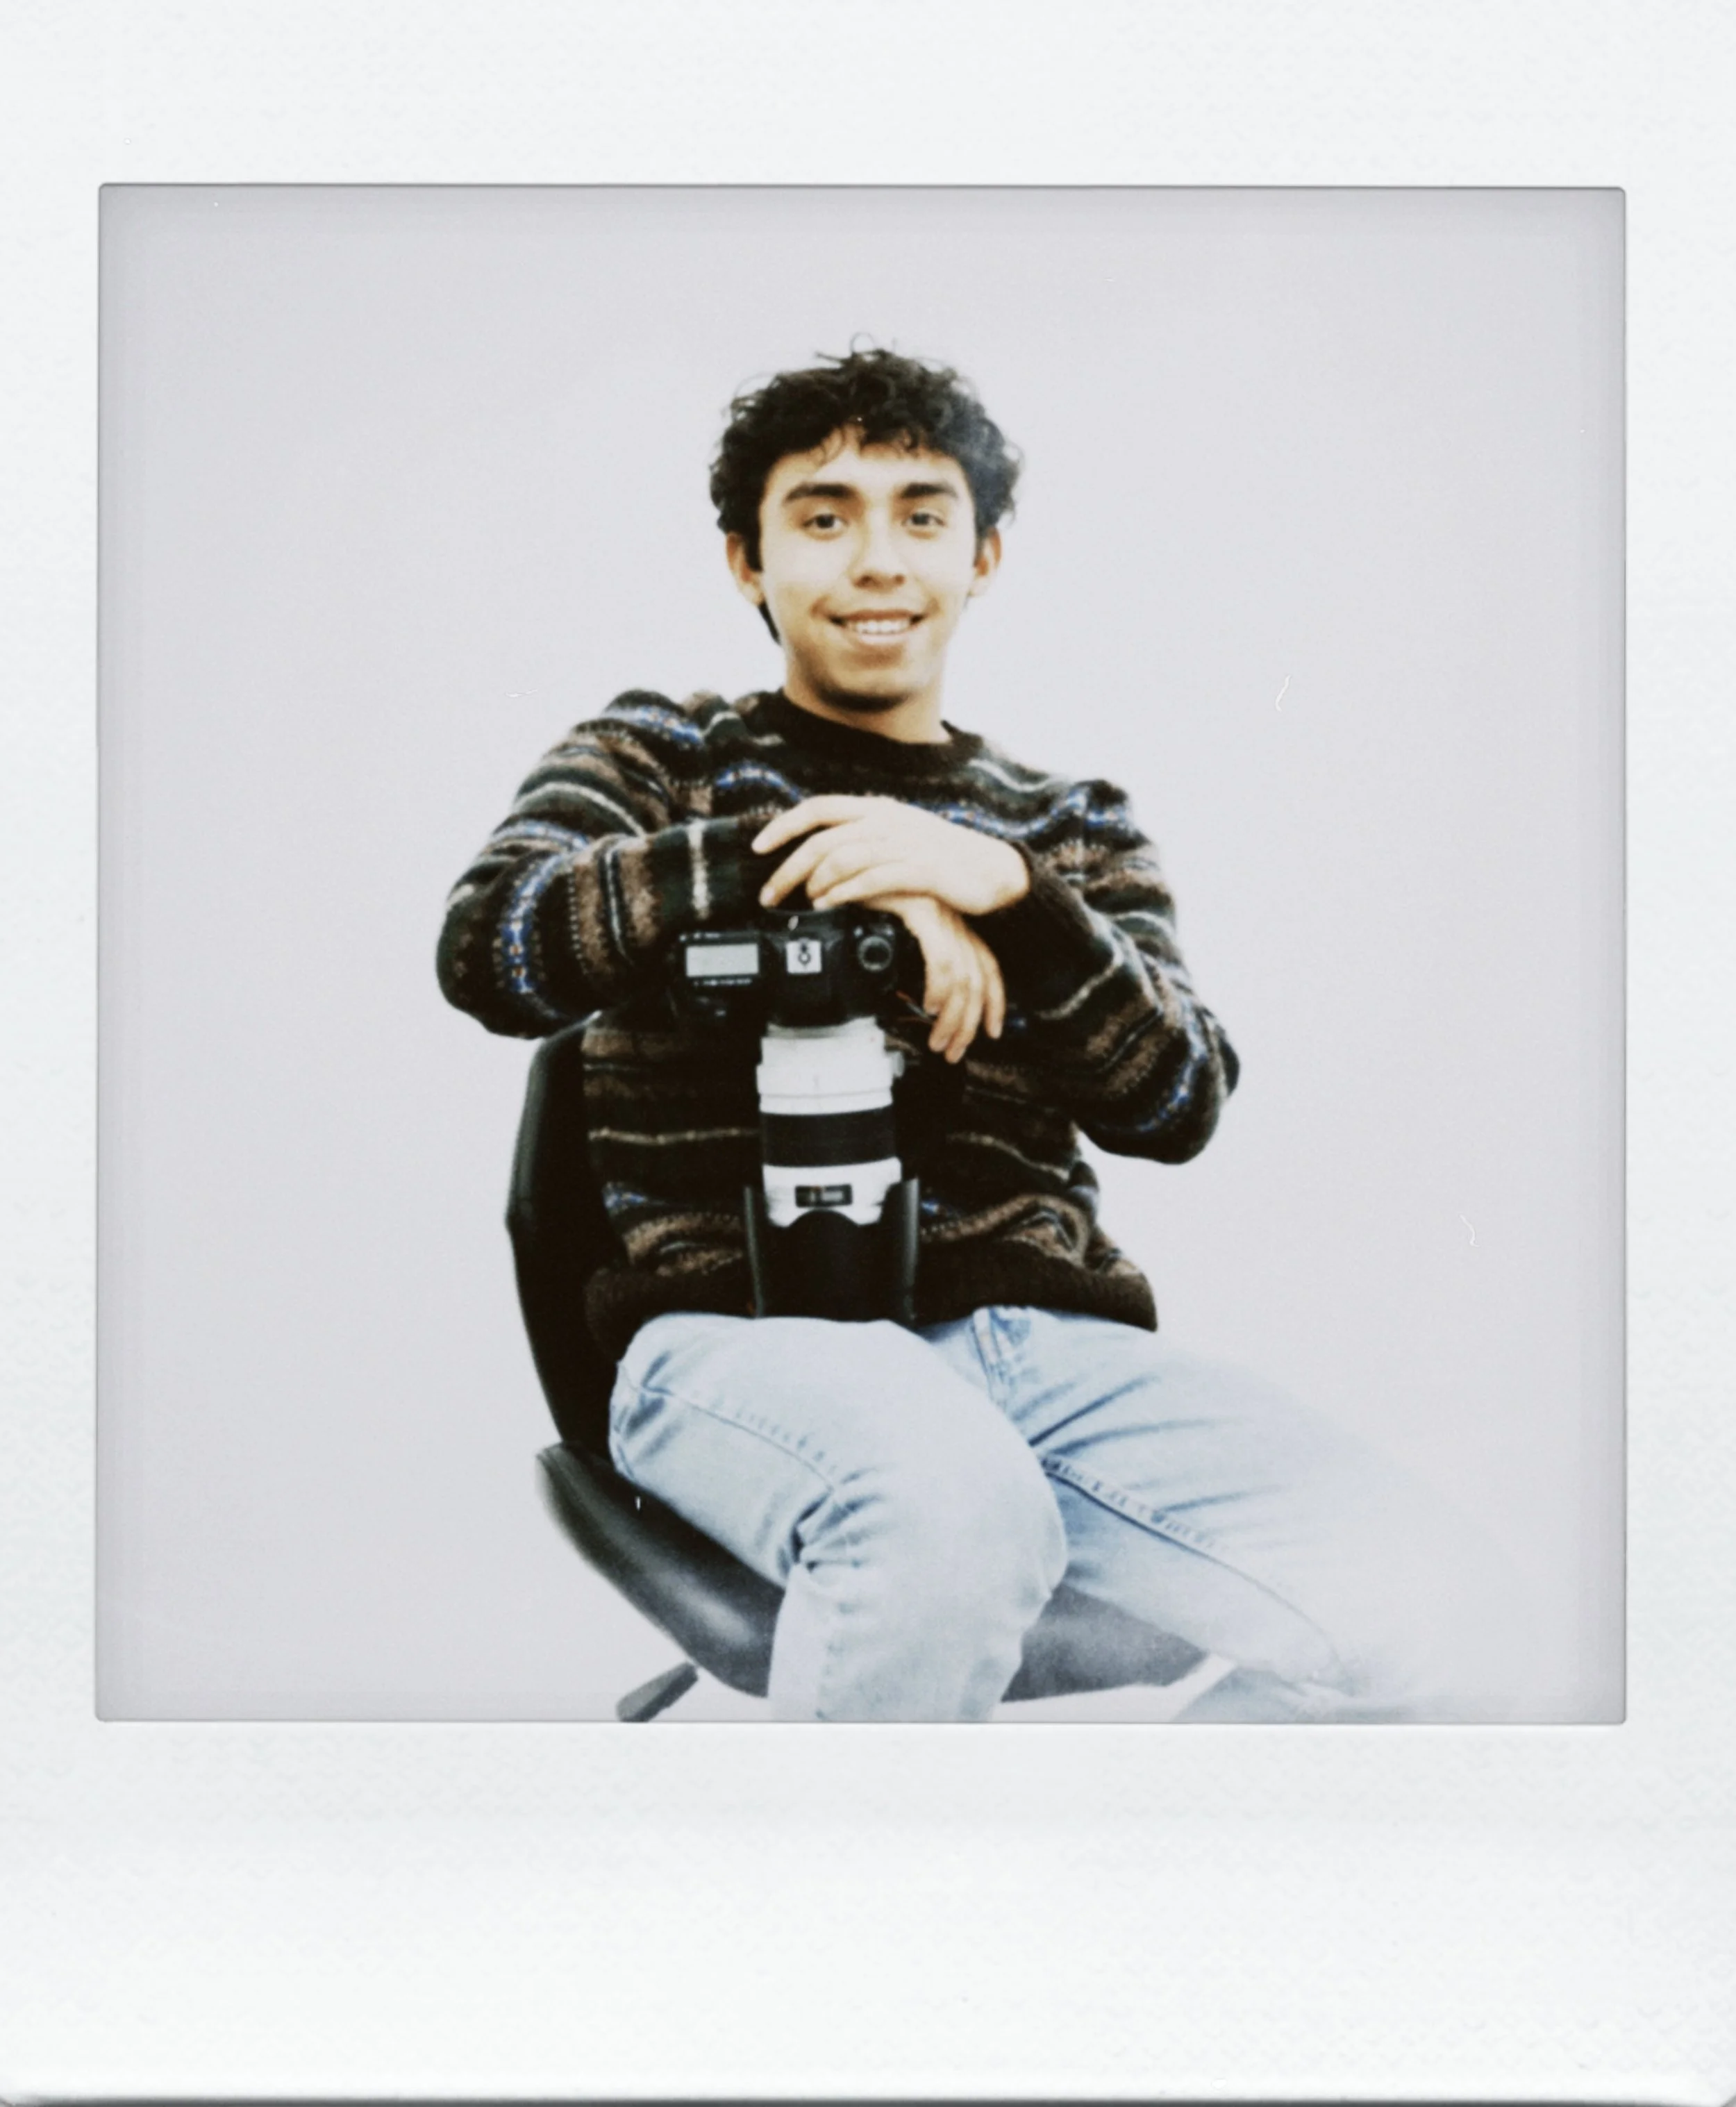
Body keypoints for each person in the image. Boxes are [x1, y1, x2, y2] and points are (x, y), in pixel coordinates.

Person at [439, 347, 1522, 1722]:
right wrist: (863, 866)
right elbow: (494, 946)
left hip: (1037, 1350)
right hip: (738, 1337)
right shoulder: (662, 757)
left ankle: (1129, 1861)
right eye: (822, 516)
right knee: (949, 1515)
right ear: (746, 560)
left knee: (1457, 1610)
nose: (876, 558)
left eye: (921, 514)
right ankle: (852, 1867)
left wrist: (1004, 890)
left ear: (982, 554)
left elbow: (1176, 1096)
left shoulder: (1063, 826)